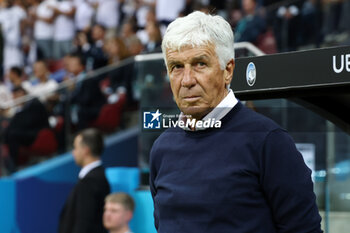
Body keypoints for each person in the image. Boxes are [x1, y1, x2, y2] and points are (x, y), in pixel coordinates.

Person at [149, 11, 323, 233]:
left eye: (200, 64)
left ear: (228, 70)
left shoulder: (269, 142)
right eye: (176, 67)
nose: (187, 80)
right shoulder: (161, 149)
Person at [58, 128, 110, 233]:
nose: (73, 152)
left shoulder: (90, 181)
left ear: (86, 150)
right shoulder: (95, 177)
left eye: (75, 148)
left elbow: (84, 223)